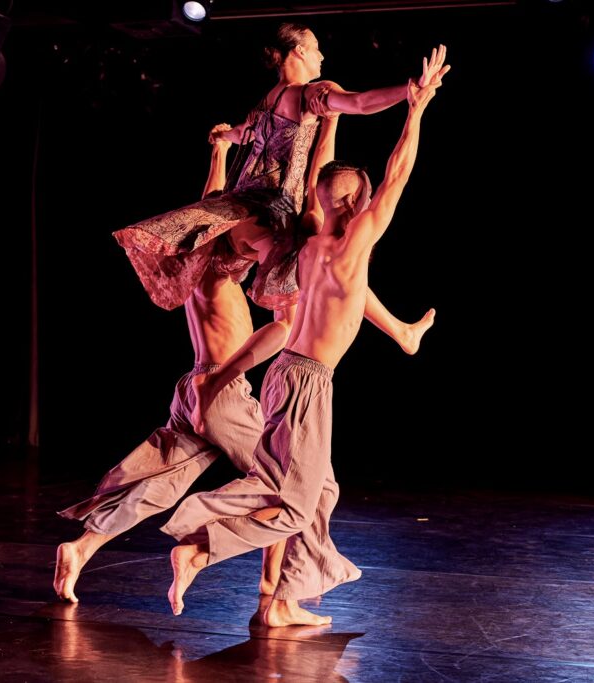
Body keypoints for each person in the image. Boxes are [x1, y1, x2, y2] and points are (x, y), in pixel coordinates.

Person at [161, 73, 443, 626]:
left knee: (322, 490)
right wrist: (417, 109)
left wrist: (330, 125)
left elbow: (320, 177)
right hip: (309, 380)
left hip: (285, 373)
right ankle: (198, 546)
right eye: (364, 197)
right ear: (357, 200)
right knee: (292, 500)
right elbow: (398, 174)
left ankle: (283, 603)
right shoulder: (353, 242)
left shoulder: (312, 241)